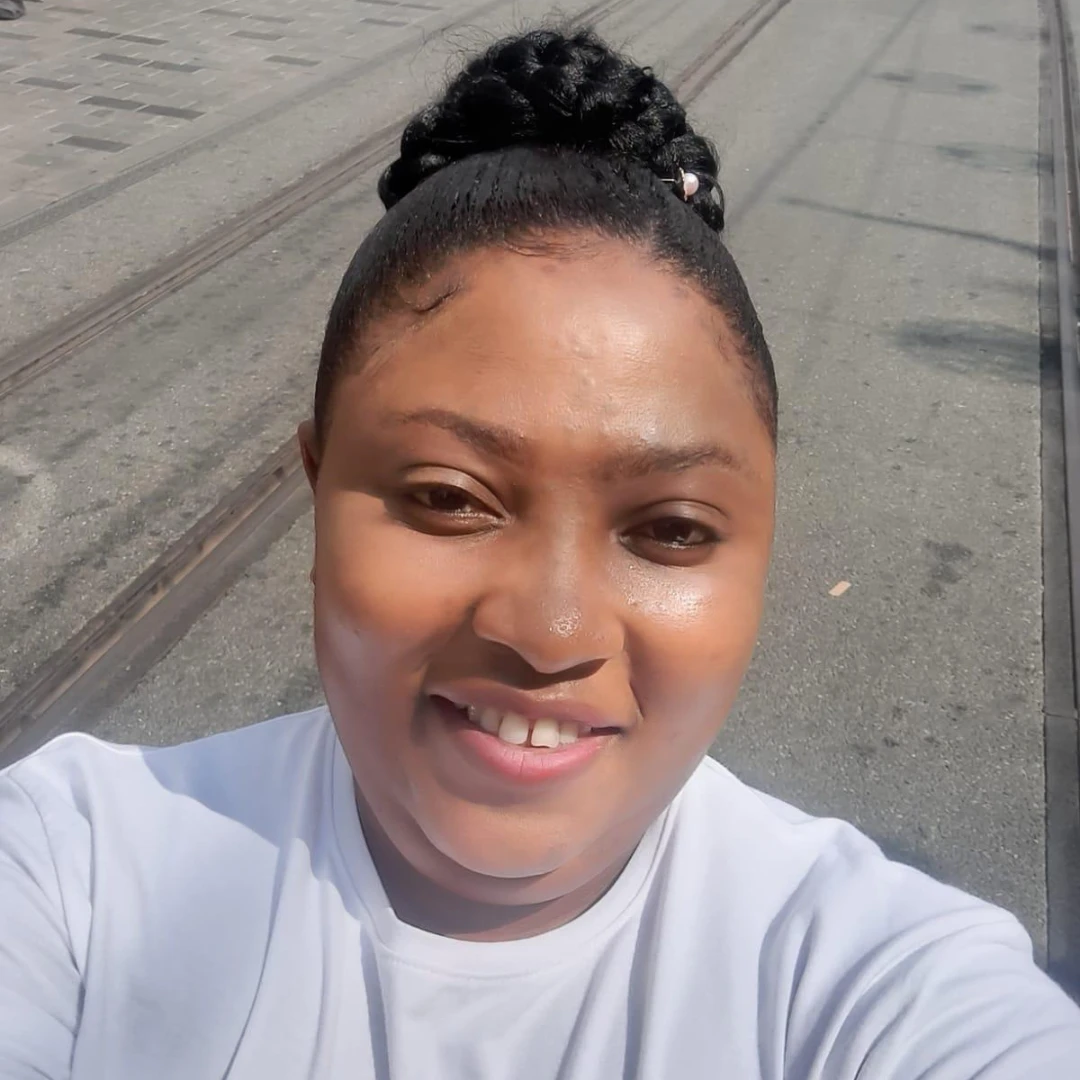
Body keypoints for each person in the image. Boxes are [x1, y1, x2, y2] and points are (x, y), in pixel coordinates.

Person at [1, 26, 1078, 1080]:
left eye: (672, 530)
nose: (553, 634)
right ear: (318, 490)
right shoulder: (71, 870)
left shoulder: (874, 983)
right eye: (448, 499)